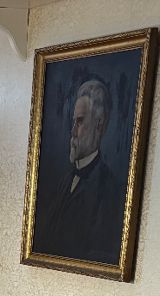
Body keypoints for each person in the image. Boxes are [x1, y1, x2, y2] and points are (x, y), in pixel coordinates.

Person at [32, 77, 126, 265]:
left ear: (99, 125)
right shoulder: (65, 180)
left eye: (80, 122)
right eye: (73, 122)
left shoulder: (109, 191)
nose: (73, 131)